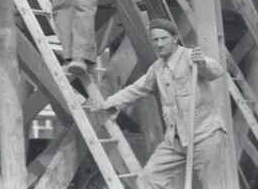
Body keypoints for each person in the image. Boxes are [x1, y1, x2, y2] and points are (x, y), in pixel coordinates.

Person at [89, 18, 228, 189]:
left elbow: (216, 71)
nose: (160, 44)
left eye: (164, 38)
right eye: (155, 40)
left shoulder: (190, 57)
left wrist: (203, 63)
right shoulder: (157, 68)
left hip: (205, 136)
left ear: (175, 38)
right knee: (148, 180)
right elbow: (135, 89)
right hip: (175, 141)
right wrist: (107, 103)